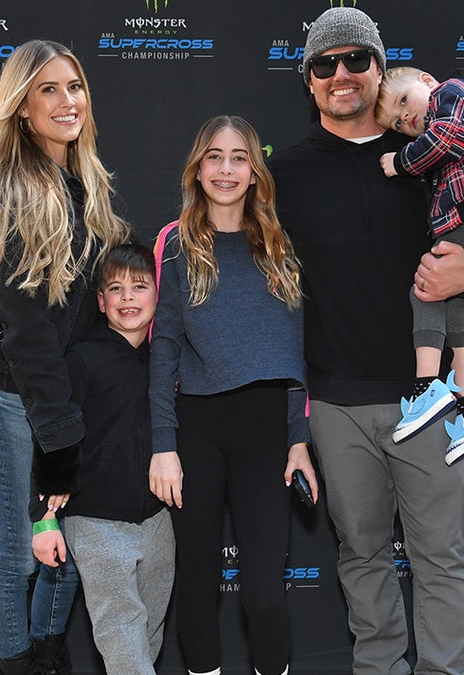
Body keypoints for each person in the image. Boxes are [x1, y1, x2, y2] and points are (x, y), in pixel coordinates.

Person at [267, 7, 464, 674]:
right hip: (335, 404)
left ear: (381, 69)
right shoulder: (283, 175)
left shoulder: (435, 153)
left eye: (357, 59)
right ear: (309, 79)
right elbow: (260, 289)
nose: (341, 74)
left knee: (441, 559)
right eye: (325, 64)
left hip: (429, 400)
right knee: (362, 557)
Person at [0, 39, 129, 675]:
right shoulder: (15, 194)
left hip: (64, 402)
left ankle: (47, 657)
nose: (68, 101)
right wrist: (60, 436)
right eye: (49, 89)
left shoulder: (84, 187)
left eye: (75, 86)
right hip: (14, 402)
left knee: (68, 551)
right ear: (22, 107)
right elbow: (28, 329)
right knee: (18, 556)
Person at [148, 115, 318, 675]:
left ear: (254, 171)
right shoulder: (175, 243)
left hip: (266, 429)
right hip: (195, 427)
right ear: (198, 169)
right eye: (215, 157)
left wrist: (298, 439)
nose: (226, 169)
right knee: (196, 585)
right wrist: (163, 445)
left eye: (239, 158)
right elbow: (164, 347)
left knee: (265, 595)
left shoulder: (279, 243)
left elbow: (294, 351)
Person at [35, 243, 175, 675]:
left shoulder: (166, 361)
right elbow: (53, 436)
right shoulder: (82, 359)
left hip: (158, 521)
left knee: (148, 634)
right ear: (101, 302)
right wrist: (44, 519)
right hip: (95, 521)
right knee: (121, 631)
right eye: (116, 288)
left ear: (158, 294)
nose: (128, 297)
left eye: (139, 286)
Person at [375, 65, 464, 462]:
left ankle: (427, 387)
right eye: (397, 122)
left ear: (426, 81)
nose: (406, 118)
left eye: (403, 101)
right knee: (454, 312)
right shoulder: (443, 119)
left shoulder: (451, 93)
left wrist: (399, 162)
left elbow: (446, 140)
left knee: (425, 289)